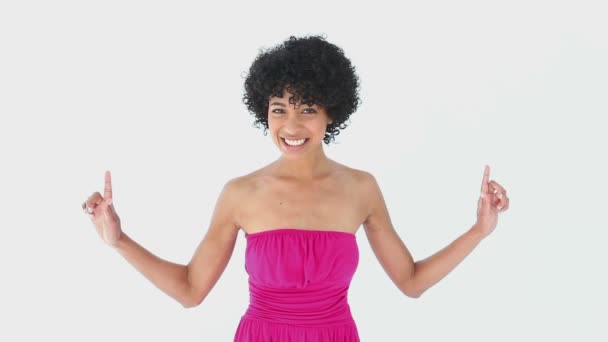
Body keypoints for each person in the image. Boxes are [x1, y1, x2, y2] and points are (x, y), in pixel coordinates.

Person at [81, 34, 510, 341]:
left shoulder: (361, 189)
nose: (290, 125)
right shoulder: (240, 194)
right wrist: (119, 242)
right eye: (279, 109)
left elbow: (411, 282)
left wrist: (478, 231)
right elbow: (191, 291)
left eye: (307, 109)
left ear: (330, 115)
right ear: (262, 112)